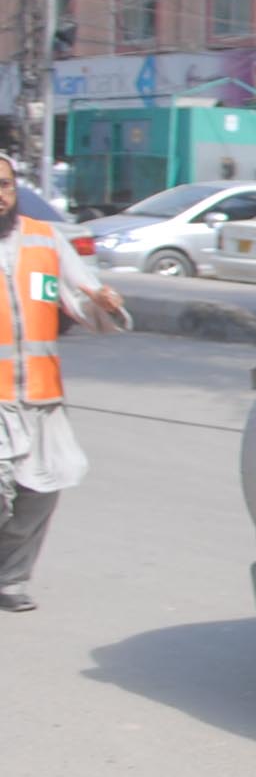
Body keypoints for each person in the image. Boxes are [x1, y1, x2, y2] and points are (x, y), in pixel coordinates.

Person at [0, 156, 127, 612]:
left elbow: (80, 297)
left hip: (39, 394)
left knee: (40, 494)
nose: (0, 194)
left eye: (5, 185)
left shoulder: (44, 239)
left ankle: (10, 578)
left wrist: (106, 304)